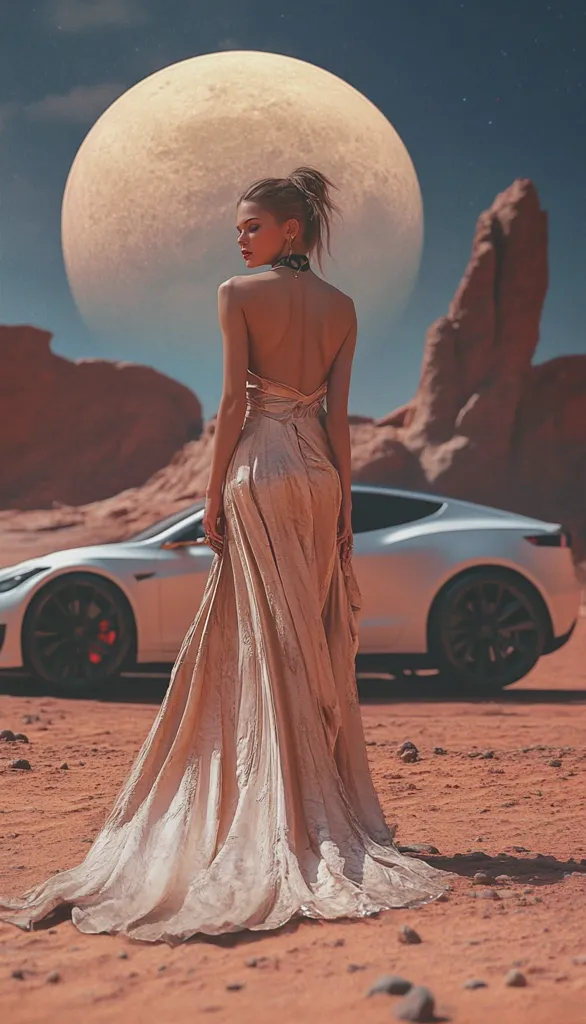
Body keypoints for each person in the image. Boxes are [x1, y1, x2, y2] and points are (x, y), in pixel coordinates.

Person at [0, 167, 449, 946]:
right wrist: (342, 502)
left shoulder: (236, 296)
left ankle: (270, 806)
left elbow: (236, 402)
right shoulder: (341, 308)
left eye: (250, 225)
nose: (238, 238)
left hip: (261, 469)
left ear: (291, 230)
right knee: (300, 631)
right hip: (316, 477)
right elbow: (339, 418)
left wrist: (211, 491)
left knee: (258, 634)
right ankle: (312, 801)